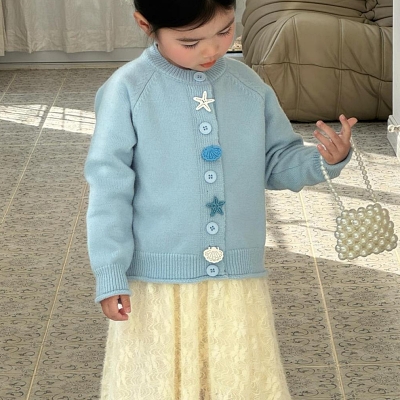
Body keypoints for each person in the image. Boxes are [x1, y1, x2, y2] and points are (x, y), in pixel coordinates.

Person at [84, 0, 357, 398]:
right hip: (156, 281)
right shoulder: (127, 89)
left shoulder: (248, 85)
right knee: (159, 380)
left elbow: (276, 160)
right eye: (190, 42)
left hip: (236, 277)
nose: (212, 50)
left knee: (237, 376)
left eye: (225, 31)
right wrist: (110, 272)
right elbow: (109, 188)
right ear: (145, 24)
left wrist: (323, 160)